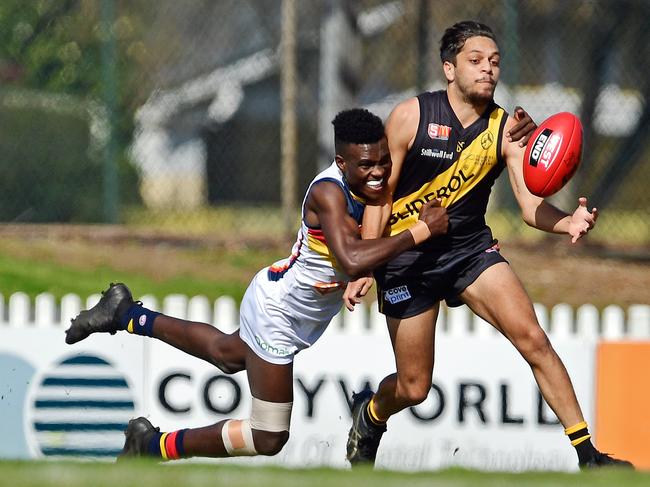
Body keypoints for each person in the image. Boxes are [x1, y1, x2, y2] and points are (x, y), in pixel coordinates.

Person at [64, 108, 451, 462]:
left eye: (384, 160)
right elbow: (352, 258)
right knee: (268, 436)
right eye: (367, 165)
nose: (379, 172)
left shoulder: (371, 187)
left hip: (286, 301)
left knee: (225, 354)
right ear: (341, 162)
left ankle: (125, 313)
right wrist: (420, 231)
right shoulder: (328, 193)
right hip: (277, 314)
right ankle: (152, 447)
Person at [344, 21, 633, 470]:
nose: (488, 70)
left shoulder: (506, 130)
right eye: (476, 61)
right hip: (407, 257)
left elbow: (529, 205)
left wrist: (567, 222)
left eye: (495, 62)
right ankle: (371, 414)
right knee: (415, 386)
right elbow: (378, 196)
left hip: (469, 251)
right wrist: (365, 263)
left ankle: (588, 455)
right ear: (448, 68)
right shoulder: (411, 116)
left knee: (534, 338)